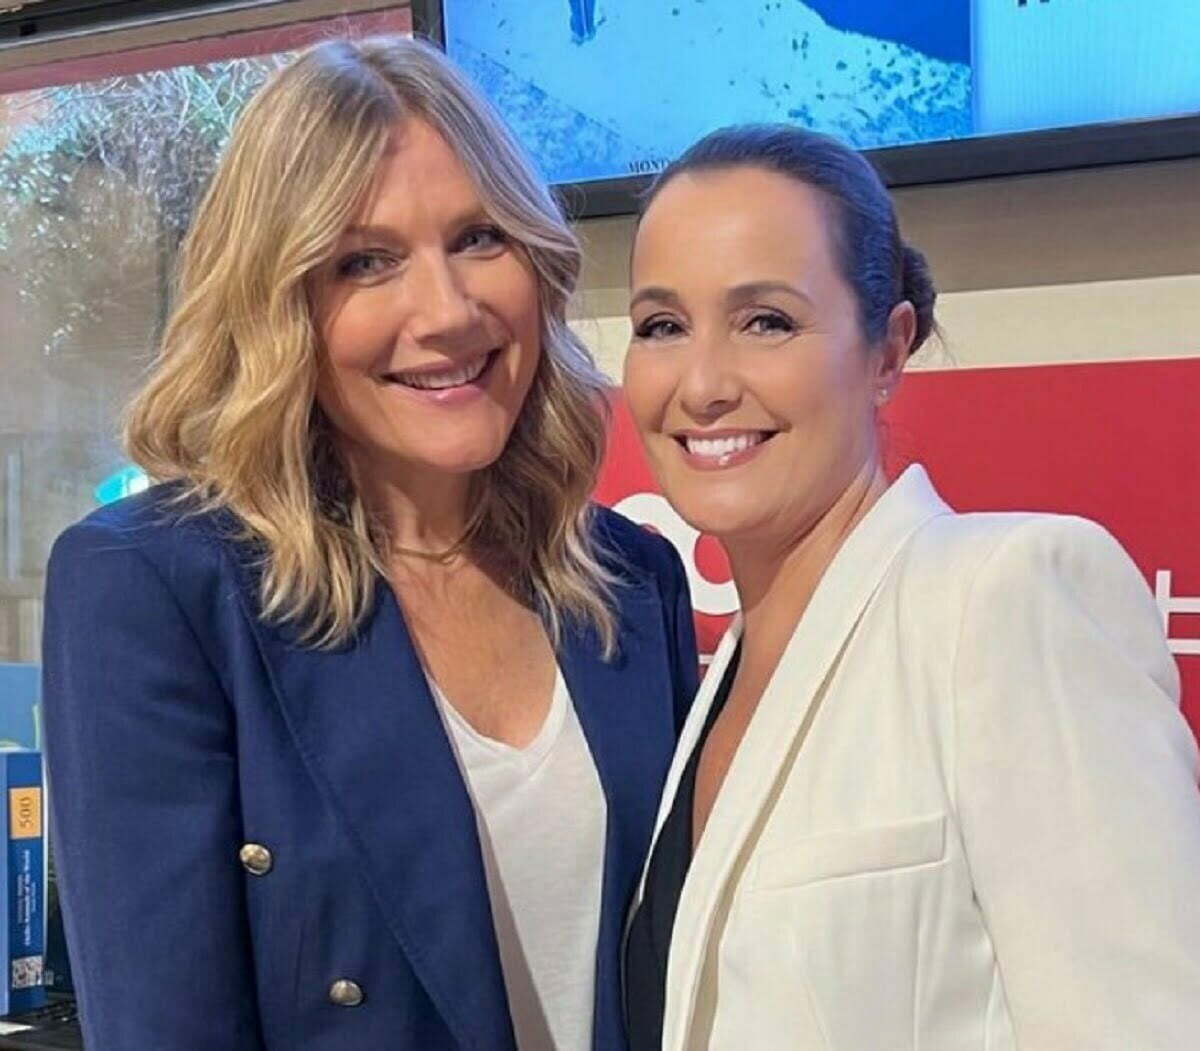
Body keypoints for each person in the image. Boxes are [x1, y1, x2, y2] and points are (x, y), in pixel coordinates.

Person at [42, 36, 696, 1051]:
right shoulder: (152, 587)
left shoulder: (629, 578)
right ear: (275, 304)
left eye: (479, 237)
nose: (448, 311)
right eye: (365, 261)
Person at [621, 124, 1200, 1051]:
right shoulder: (715, 679)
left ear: (887, 351)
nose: (702, 384)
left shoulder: (1002, 597)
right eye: (662, 326)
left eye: (766, 321)